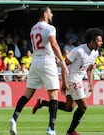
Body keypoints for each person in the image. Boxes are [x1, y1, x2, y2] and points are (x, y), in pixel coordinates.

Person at [9, 6, 69, 135]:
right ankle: (51, 128)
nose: (52, 14)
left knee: (27, 94)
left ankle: (14, 118)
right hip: (47, 61)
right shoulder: (50, 28)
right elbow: (53, 44)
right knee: (53, 95)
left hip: (35, 61)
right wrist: (62, 62)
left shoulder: (33, 28)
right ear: (45, 14)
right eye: (50, 12)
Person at [32, 27, 103, 135]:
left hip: (78, 79)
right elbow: (64, 65)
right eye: (98, 41)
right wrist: (64, 82)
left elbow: (89, 69)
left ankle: (43, 102)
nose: (101, 43)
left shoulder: (95, 53)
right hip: (72, 79)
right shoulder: (78, 51)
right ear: (92, 41)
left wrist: (90, 83)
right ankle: (70, 131)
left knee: (69, 107)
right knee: (83, 106)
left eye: (101, 40)